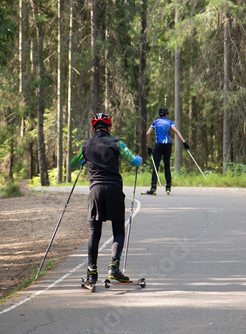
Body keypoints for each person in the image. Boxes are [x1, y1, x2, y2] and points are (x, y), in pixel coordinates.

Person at [70, 113, 142, 286]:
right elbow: (133, 161)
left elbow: (73, 163)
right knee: (118, 230)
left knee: (94, 232)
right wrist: (139, 159)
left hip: (95, 191)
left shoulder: (86, 145)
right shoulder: (117, 143)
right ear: (109, 128)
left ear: (93, 129)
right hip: (115, 190)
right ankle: (114, 268)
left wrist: (83, 159)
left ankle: (92, 272)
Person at [145, 107, 189, 194]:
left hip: (158, 145)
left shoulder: (155, 122)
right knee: (167, 165)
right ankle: (168, 186)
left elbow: (148, 133)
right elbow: (176, 132)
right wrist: (184, 142)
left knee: (155, 165)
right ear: (166, 115)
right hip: (168, 144)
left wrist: (149, 147)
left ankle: (153, 187)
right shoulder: (170, 122)